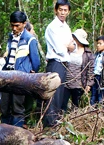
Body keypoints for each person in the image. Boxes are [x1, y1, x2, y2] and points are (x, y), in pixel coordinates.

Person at [0, 11, 40, 127]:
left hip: (20, 76)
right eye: (12, 25)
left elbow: (35, 61)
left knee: (18, 106)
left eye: (17, 25)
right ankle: (4, 132)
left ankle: (17, 133)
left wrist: (32, 71)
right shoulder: (10, 37)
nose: (14, 28)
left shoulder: (29, 39)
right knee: (5, 105)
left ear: (24, 24)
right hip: (7, 74)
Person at [43, 0, 76, 128]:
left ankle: (56, 125)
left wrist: (68, 46)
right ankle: (49, 127)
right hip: (55, 63)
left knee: (60, 96)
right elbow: (60, 49)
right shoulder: (53, 27)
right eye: (60, 10)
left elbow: (73, 46)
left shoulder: (66, 27)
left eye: (65, 10)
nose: (62, 12)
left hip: (64, 64)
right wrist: (67, 46)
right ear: (56, 10)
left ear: (68, 11)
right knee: (53, 96)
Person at [63, 29, 94, 110]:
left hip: (78, 84)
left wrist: (88, 84)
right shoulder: (69, 50)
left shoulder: (88, 54)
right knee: (62, 105)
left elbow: (91, 70)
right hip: (65, 82)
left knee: (76, 106)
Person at [90, 36, 104, 105]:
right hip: (95, 77)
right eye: (97, 44)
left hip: (103, 79)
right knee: (93, 96)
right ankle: (92, 113)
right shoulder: (95, 55)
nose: (98, 45)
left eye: (100, 43)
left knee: (102, 98)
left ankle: (102, 114)